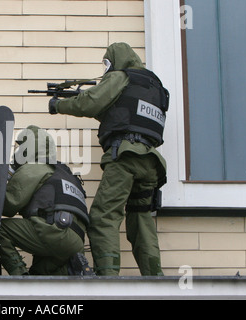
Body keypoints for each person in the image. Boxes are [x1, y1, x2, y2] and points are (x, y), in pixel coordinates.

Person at [48, 43, 169, 276]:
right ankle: (155, 278)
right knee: (141, 220)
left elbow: (91, 102)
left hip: (126, 156)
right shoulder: (155, 87)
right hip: (151, 162)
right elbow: (124, 110)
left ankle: (108, 279)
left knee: (104, 217)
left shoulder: (121, 76)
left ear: (116, 60)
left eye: (107, 64)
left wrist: (59, 104)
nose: (106, 69)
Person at [0, 125, 93, 276]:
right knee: (41, 276)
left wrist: (8, 176)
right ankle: (78, 273)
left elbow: (7, 206)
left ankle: (20, 275)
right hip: (76, 243)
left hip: (52, 232)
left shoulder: (34, 168)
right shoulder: (66, 173)